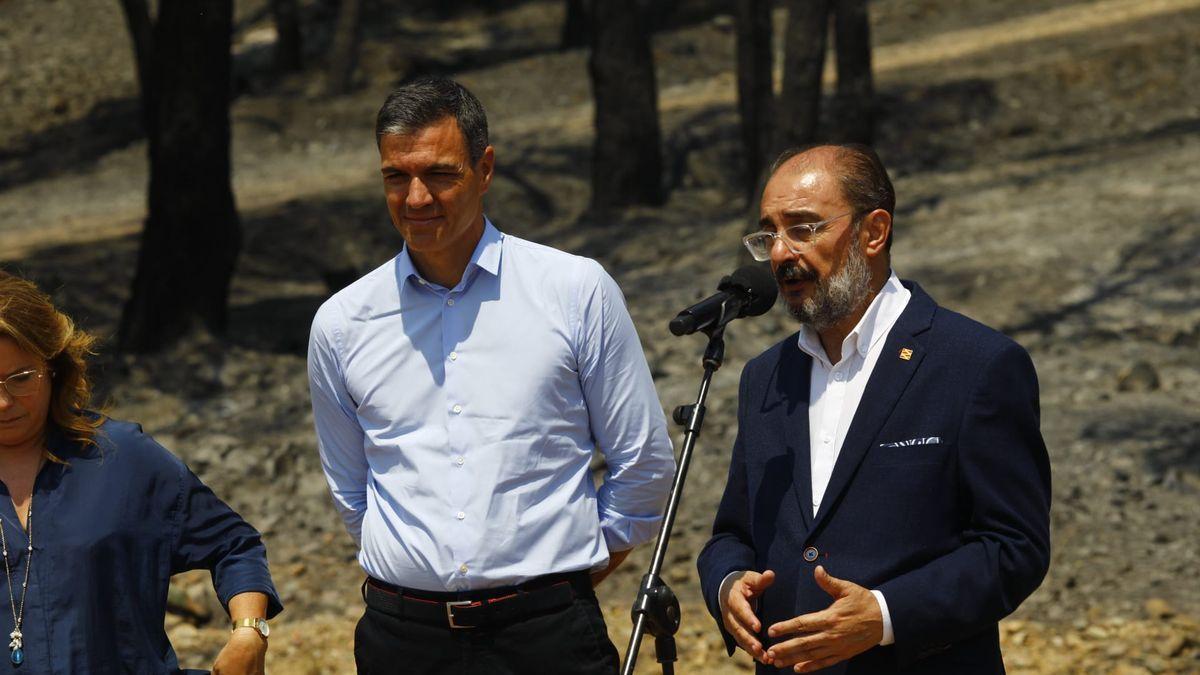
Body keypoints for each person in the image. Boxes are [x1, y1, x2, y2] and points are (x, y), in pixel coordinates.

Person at [306, 75, 675, 674]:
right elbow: (353, 492)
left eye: (440, 174)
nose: (416, 198)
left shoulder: (574, 291)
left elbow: (644, 465)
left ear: (485, 169)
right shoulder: (342, 323)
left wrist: (562, 578)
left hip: (547, 638)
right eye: (396, 176)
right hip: (403, 642)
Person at [696, 144, 1051, 673]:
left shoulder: (975, 363)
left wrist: (885, 616)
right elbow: (733, 534)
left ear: (873, 232)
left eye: (803, 228)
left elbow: (1014, 547)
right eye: (769, 233)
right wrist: (727, 584)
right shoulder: (765, 377)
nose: (780, 254)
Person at [0, 270, 281, 674]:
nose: (4, 402)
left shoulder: (121, 458)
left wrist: (249, 632)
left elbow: (234, 545)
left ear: (54, 367)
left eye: (21, 378)